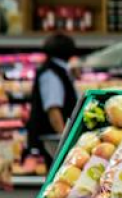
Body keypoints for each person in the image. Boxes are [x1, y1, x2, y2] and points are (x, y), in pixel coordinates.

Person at [26, 32, 77, 164]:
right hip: (51, 142)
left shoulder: (58, 71)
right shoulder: (51, 73)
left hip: (52, 140)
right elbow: (53, 109)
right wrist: (64, 139)